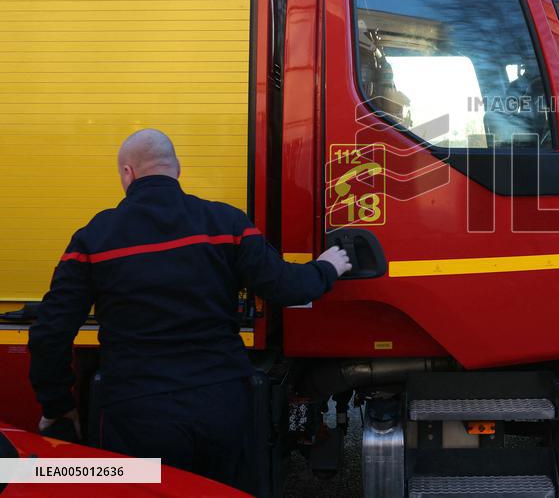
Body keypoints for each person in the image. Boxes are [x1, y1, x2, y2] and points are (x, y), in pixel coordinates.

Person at [28, 128, 351, 487]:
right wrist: (327, 266)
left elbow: (49, 333)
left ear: (127, 174)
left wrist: (57, 406)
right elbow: (288, 287)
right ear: (177, 168)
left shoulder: (92, 239)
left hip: (136, 412)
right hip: (221, 405)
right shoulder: (226, 224)